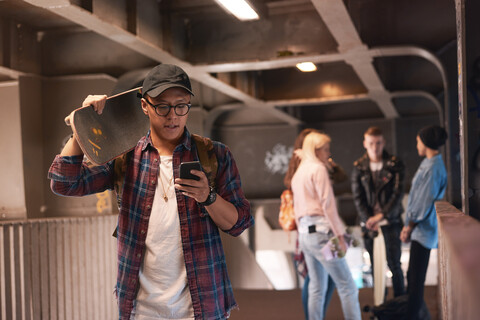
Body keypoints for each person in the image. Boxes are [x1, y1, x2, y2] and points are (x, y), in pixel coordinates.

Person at [48, 64, 254, 320]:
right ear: (145, 106)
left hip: (201, 306)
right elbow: (64, 183)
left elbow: (239, 223)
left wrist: (208, 197)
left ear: (189, 104)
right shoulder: (125, 157)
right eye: (162, 106)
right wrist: (82, 125)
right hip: (142, 309)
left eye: (181, 106)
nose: (173, 116)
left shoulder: (215, 155)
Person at [291, 132, 361, 320]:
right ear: (316, 150)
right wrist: (340, 235)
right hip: (324, 234)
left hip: (306, 236)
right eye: (326, 150)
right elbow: (328, 205)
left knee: (317, 287)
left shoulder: (299, 173)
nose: (328, 154)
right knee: (348, 286)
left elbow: (297, 209)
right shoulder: (318, 169)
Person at [284, 128, 344, 320]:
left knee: (322, 281)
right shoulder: (306, 166)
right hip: (320, 228)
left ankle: (316, 316)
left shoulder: (317, 166)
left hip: (316, 229)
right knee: (322, 280)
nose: (327, 152)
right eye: (323, 148)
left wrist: (327, 162)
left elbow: (342, 176)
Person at [351, 126, 406, 297]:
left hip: (391, 222)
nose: (375, 147)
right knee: (376, 266)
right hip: (369, 225)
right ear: (365, 144)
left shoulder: (394, 165)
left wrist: (381, 216)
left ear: (384, 143)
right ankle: (380, 304)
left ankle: (400, 304)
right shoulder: (359, 168)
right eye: (371, 143)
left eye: (378, 143)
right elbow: (358, 197)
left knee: (395, 265)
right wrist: (369, 219)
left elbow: (398, 194)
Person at [400, 125, 447, 320]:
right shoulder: (430, 163)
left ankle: (413, 316)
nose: (416, 144)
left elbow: (423, 202)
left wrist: (408, 226)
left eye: (418, 141)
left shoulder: (433, 167)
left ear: (425, 143)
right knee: (413, 276)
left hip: (423, 231)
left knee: (416, 280)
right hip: (421, 230)